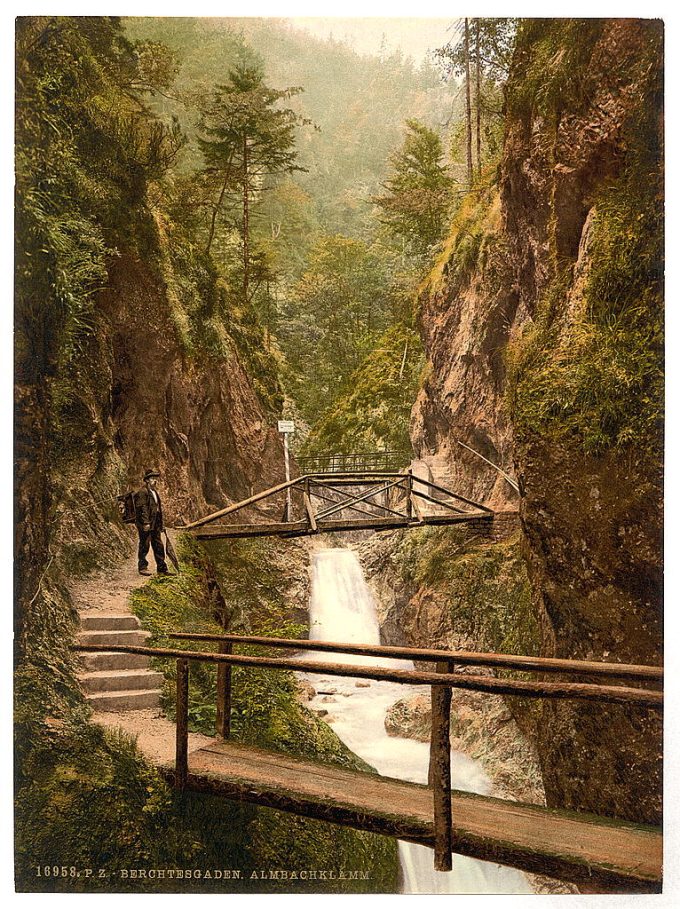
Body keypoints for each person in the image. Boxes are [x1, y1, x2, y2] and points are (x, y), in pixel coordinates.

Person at [134, 469, 169, 576]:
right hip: (146, 523)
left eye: (155, 478)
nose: (155, 481)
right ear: (147, 480)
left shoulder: (154, 492)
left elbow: (158, 509)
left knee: (158, 545)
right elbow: (142, 508)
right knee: (144, 544)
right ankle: (142, 567)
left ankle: (162, 569)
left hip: (155, 523)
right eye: (152, 478)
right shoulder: (142, 492)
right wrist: (145, 523)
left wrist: (161, 524)